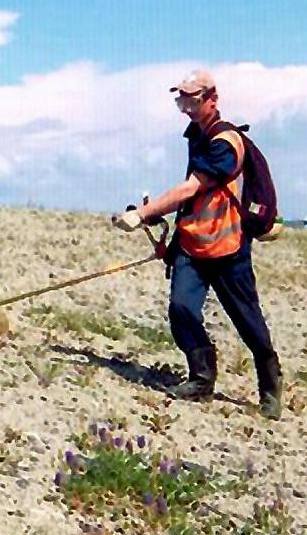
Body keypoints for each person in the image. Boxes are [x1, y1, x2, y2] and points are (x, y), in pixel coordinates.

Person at [121, 69, 284, 419]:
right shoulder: (197, 134)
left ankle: (270, 388)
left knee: (247, 320)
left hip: (228, 248)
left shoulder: (226, 143)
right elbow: (192, 198)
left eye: (193, 100)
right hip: (192, 244)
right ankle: (201, 377)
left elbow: (191, 188)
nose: (187, 108)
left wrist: (144, 212)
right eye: (182, 101)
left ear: (213, 99)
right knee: (181, 309)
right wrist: (152, 216)